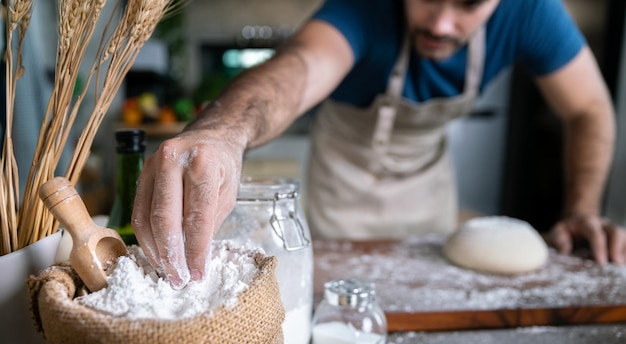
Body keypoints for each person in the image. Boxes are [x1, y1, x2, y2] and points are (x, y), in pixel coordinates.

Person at [132, 0, 625, 289]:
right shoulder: (364, 8)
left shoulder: (531, 11)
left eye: (470, 3)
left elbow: (589, 108)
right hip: (340, 192)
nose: (442, 23)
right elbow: (297, 71)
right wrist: (224, 132)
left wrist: (581, 208)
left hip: (427, 188)